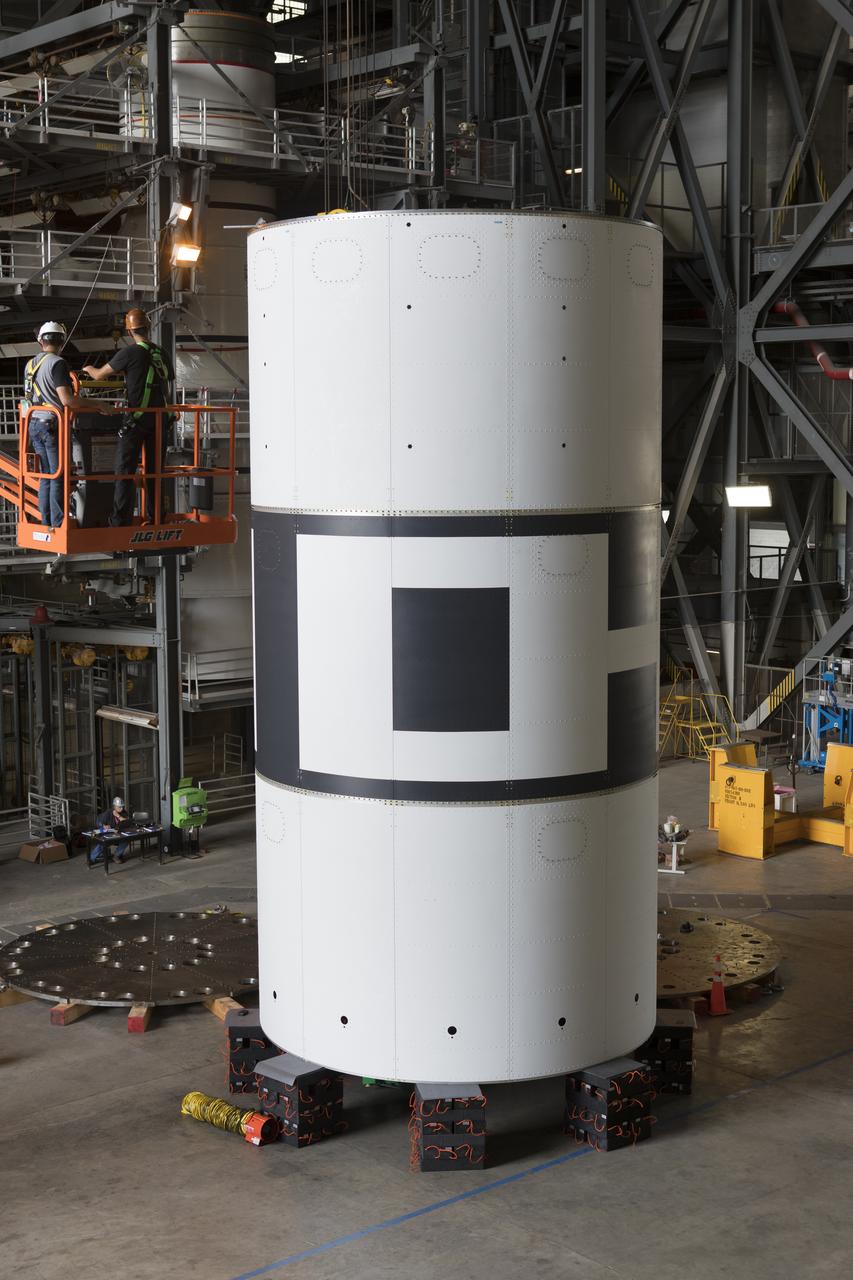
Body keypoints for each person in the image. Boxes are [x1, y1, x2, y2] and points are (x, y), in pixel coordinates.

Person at [83, 308, 174, 525]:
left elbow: (99, 375)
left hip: (137, 419)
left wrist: (88, 369)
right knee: (155, 472)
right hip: (160, 419)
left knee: (124, 470)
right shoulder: (161, 353)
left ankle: (120, 520)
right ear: (148, 327)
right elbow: (166, 382)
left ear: (129, 330)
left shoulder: (130, 353)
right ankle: (157, 518)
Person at [25, 321, 107, 529]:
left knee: (46, 475)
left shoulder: (31, 364)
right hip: (53, 425)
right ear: (62, 341)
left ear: (41, 341)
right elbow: (67, 400)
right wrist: (98, 404)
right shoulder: (57, 364)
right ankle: (58, 523)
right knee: (58, 474)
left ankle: (47, 523)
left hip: (34, 423)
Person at [88, 796, 130, 867]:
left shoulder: (124, 812)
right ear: (115, 807)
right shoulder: (108, 813)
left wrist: (118, 816)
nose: (121, 808)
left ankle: (116, 855)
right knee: (103, 843)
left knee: (126, 840)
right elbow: (99, 822)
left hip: (117, 832)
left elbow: (127, 822)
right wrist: (104, 826)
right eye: (119, 807)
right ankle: (91, 859)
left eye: (122, 807)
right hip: (108, 832)